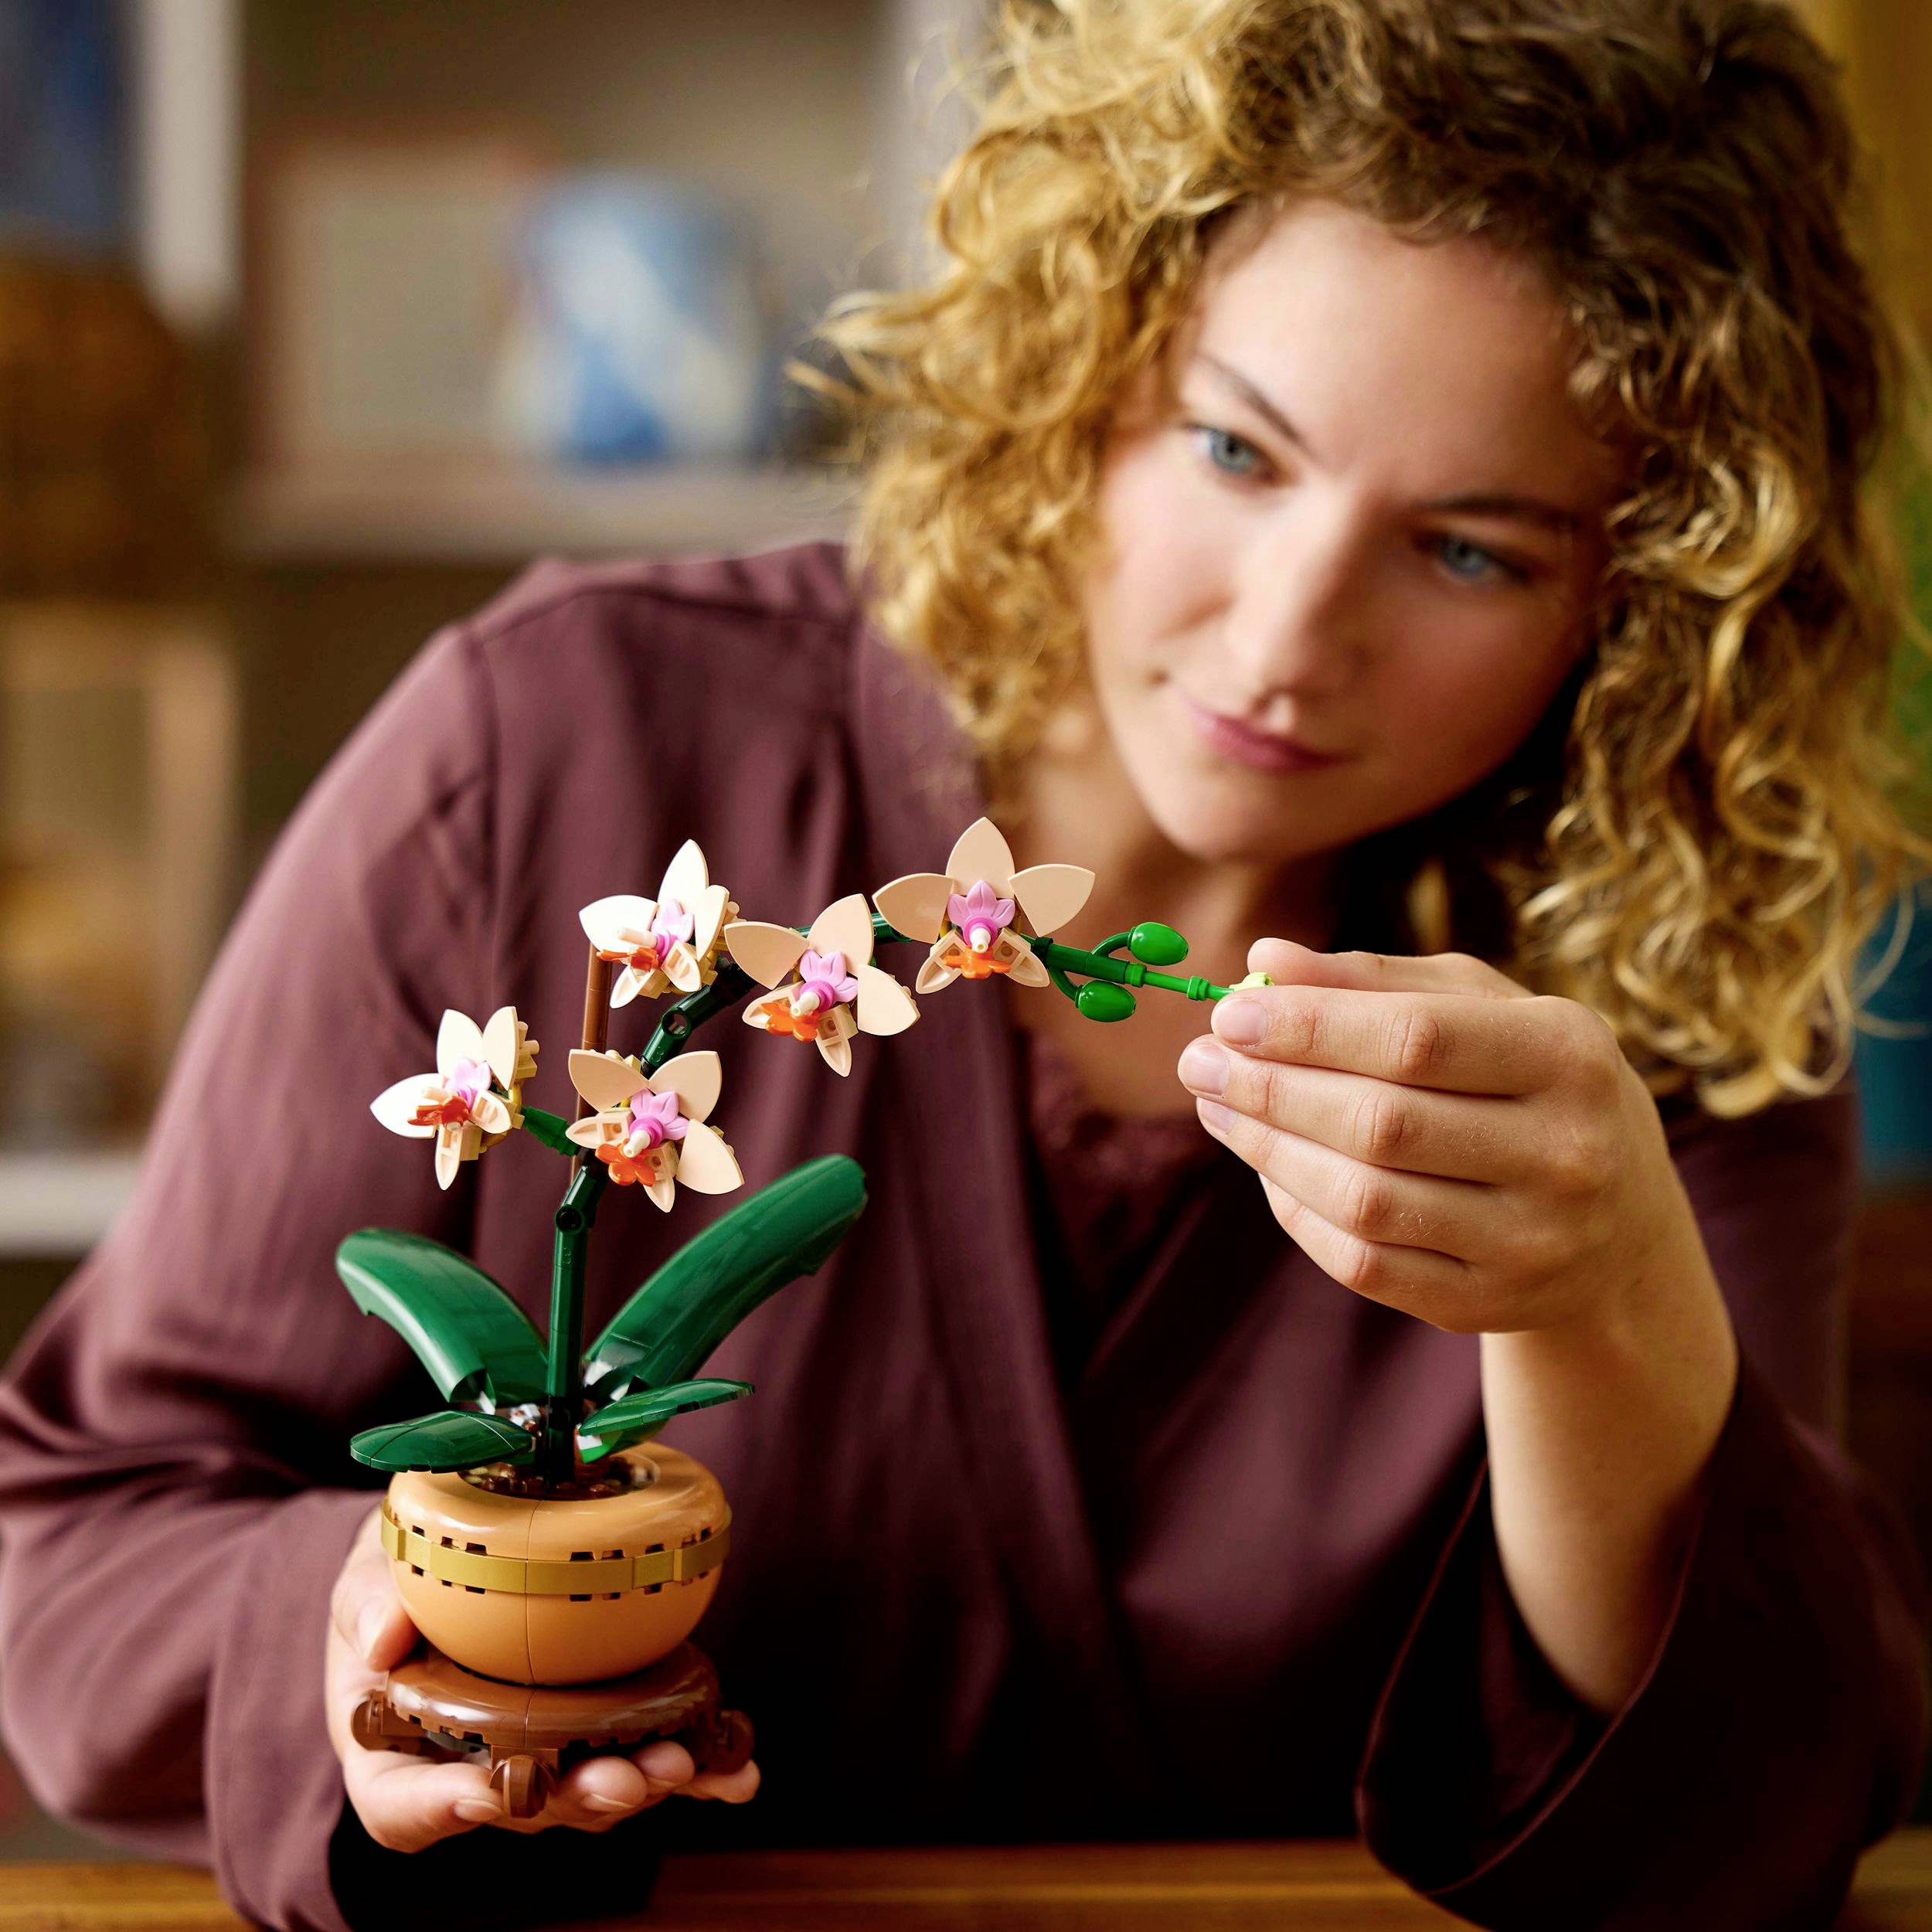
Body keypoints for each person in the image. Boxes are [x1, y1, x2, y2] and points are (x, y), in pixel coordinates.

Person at [2, 1, 1928, 1927]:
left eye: (1470, 553)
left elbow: (1748, 1827)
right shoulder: (556, 749)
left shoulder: (1668, 953)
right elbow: (78, 1547)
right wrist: (359, 1648)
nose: (1282, 637)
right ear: (1084, 349)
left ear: (1652, 597)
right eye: (1234, 449)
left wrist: (1600, 1306)